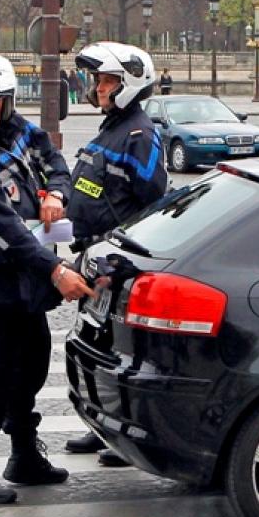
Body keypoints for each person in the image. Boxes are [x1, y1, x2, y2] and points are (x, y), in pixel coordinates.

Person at [0, 47, 94, 505]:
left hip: (30, 276)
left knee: (29, 364)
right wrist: (55, 269)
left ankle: (24, 452)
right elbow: (2, 229)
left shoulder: (22, 131)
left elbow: (55, 162)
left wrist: (56, 193)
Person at [63, 42, 168, 467]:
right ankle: (102, 424)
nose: (99, 88)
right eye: (99, 81)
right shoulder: (112, 128)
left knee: (117, 351)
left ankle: (123, 433)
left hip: (116, 262)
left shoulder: (141, 134)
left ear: (129, 83)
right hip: (93, 254)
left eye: (107, 80)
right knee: (94, 347)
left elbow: (151, 198)